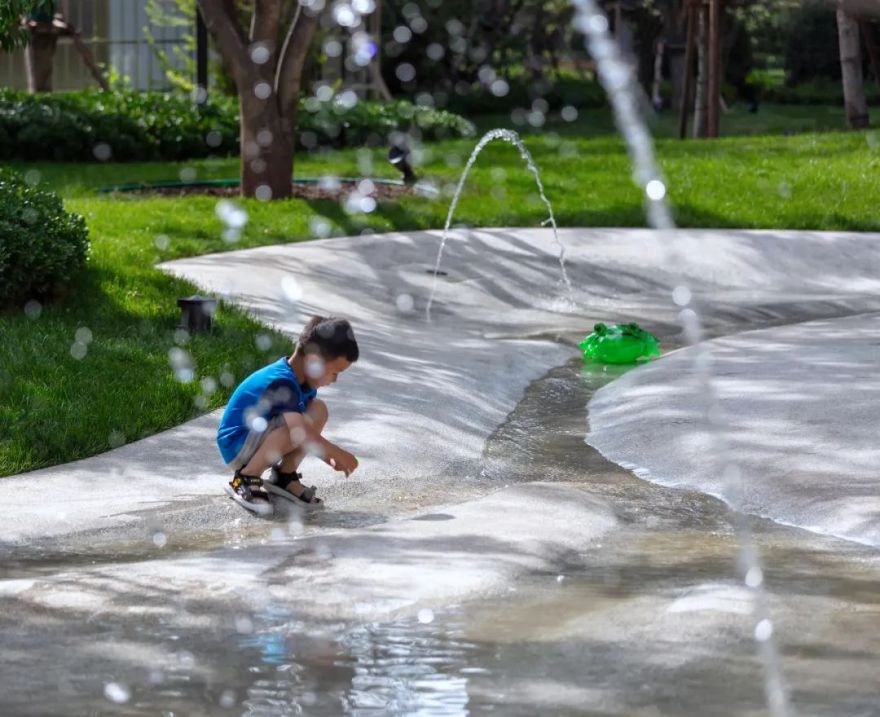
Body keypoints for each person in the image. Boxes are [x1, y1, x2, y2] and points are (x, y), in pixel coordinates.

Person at [216, 315, 359, 515]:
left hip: (257, 439)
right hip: (237, 444)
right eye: (334, 372)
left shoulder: (304, 383)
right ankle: (246, 478)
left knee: (318, 409)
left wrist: (329, 456)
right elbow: (300, 432)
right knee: (295, 426)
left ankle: (285, 476)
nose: (335, 380)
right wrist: (335, 453)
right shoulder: (282, 382)